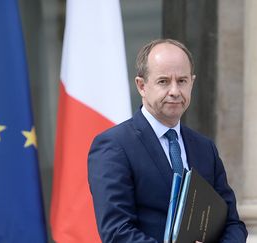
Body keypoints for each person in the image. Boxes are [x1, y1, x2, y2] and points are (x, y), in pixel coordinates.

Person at [88, 39, 247, 242]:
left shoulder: (205, 148)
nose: (174, 91)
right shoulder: (114, 146)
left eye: (182, 81)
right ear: (142, 86)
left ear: (192, 82)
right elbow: (116, 231)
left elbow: (232, 223)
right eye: (163, 81)